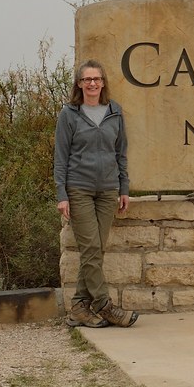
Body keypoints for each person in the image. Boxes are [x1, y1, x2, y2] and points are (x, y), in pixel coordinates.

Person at [54, 59, 138, 328]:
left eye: (97, 79)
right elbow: (60, 157)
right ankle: (104, 305)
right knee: (91, 248)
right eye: (87, 79)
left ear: (103, 83)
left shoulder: (114, 112)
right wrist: (61, 194)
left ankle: (79, 307)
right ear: (79, 84)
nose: (92, 83)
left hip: (107, 190)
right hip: (79, 188)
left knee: (96, 250)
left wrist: (123, 188)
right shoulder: (69, 114)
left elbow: (120, 153)